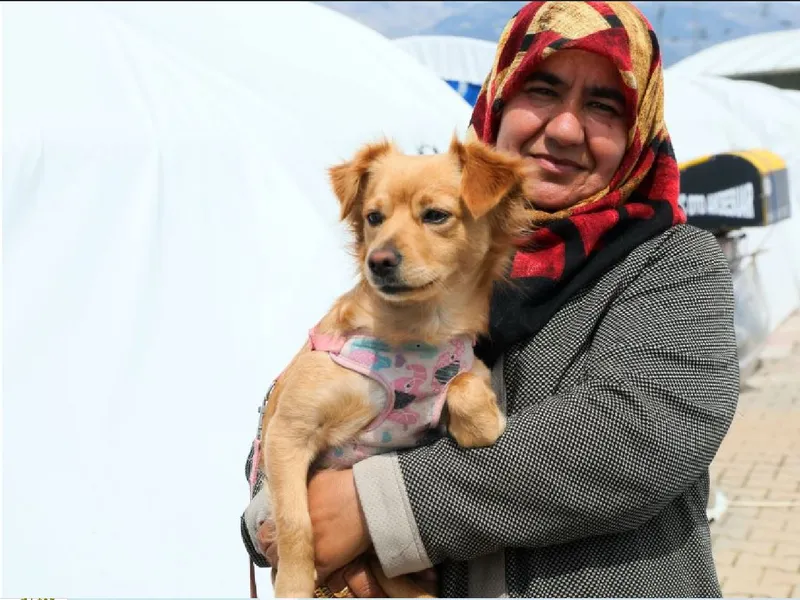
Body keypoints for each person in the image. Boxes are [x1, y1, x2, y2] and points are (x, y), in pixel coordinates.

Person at [241, 1, 740, 596]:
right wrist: (279, 515)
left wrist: (372, 508)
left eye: (604, 105)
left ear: (639, 131)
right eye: (542, 90)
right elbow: (297, 409)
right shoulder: (427, 258)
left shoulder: (674, 264)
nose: (563, 128)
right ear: (499, 99)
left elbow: (643, 435)